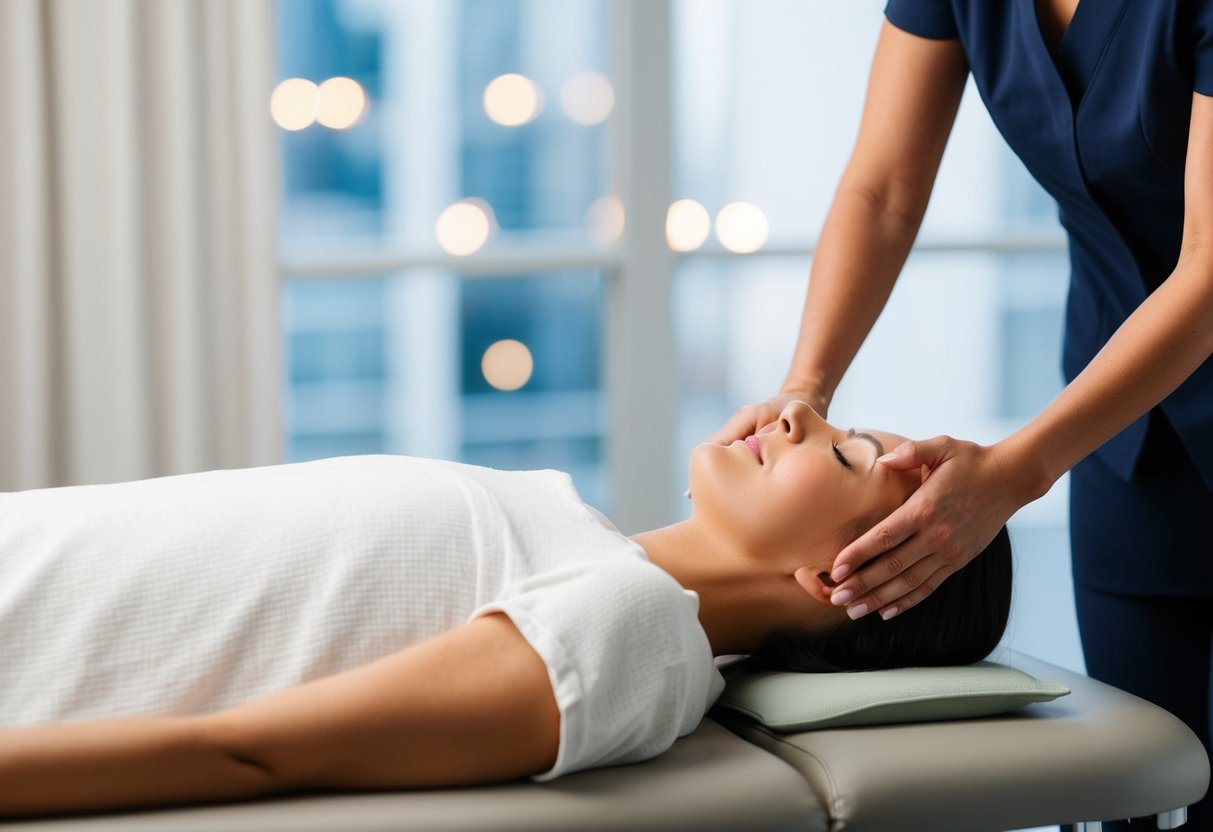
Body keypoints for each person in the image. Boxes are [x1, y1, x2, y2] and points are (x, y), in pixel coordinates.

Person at [0, 400, 1012, 819]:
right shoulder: (595, 547)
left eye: (842, 455)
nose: (795, 411)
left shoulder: (633, 633)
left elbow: (246, 751)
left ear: (851, 584)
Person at [709, 3, 1213, 828]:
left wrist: (1014, 474)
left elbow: (1207, 269)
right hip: (1127, 435)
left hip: (1117, 398)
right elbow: (880, 193)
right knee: (1145, 804)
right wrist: (804, 391)